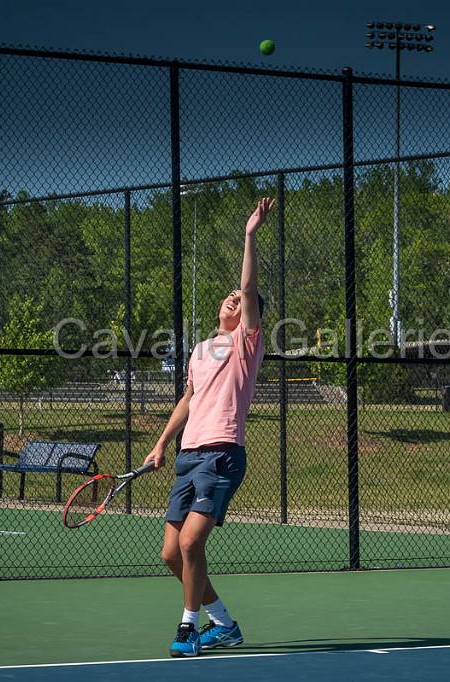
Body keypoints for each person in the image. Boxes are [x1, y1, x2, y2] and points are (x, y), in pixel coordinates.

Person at [143, 197, 273, 657]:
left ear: (249, 314)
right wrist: (161, 444)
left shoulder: (247, 343)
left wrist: (250, 235)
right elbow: (188, 400)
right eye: (230, 297)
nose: (232, 298)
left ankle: (187, 628)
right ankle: (224, 623)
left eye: (240, 300)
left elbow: (248, 282)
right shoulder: (201, 349)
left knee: (194, 541)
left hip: (221, 453)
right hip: (188, 453)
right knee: (171, 555)